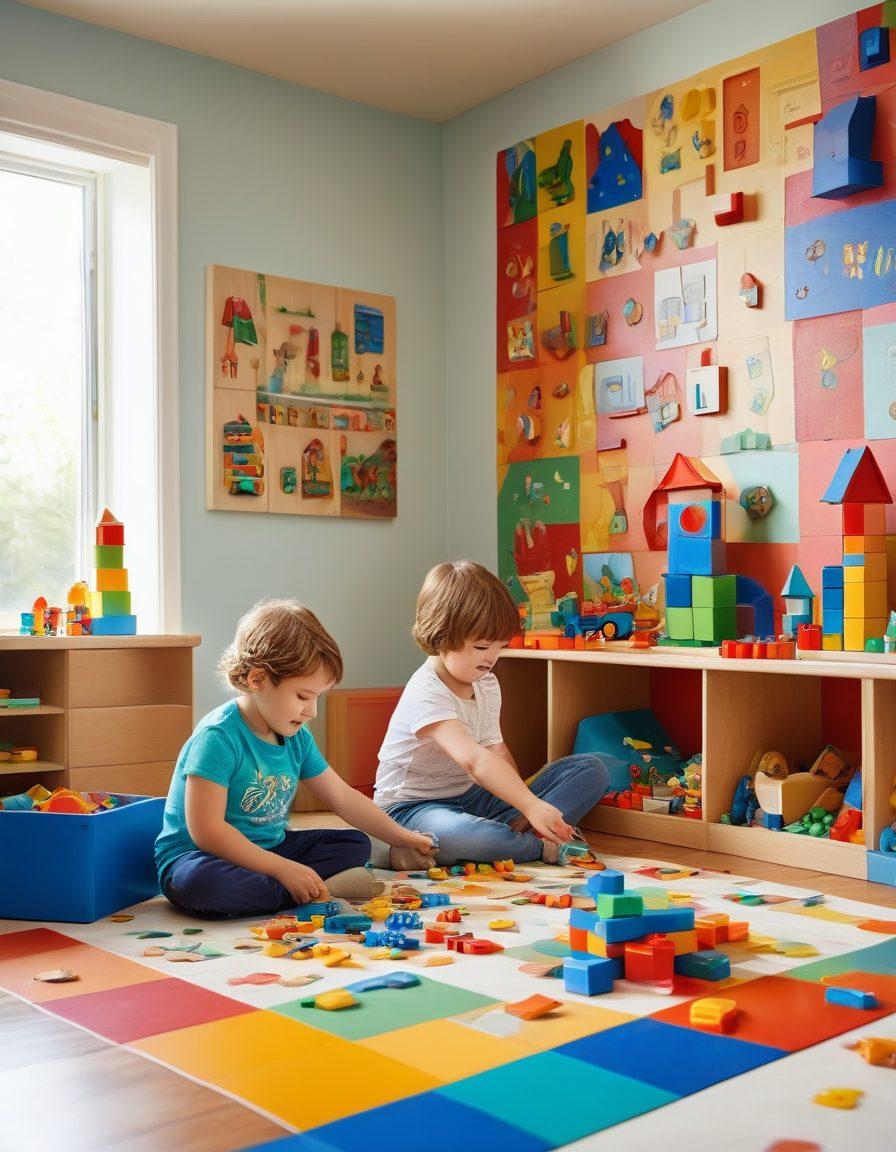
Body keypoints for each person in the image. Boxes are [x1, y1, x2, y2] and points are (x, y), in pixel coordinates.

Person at [155, 599, 435, 918]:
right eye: (303, 696)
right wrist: (282, 869)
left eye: (318, 697)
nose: (312, 711)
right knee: (202, 884)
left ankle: (289, 887)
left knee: (356, 845)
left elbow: (342, 797)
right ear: (257, 680)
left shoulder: (295, 736)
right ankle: (304, 890)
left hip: (269, 848)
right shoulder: (218, 739)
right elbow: (207, 832)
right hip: (201, 857)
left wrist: (402, 837)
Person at [372, 561, 609, 865]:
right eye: (483, 646)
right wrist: (531, 807)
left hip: (472, 797)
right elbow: (474, 760)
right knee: (468, 836)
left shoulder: (486, 683)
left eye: (500, 645)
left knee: (592, 769)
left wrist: (526, 804)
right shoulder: (427, 691)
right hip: (412, 809)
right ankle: (537, 846)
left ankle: (511, 835)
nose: (493, 658)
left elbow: (495, 749)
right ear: (442, 635)